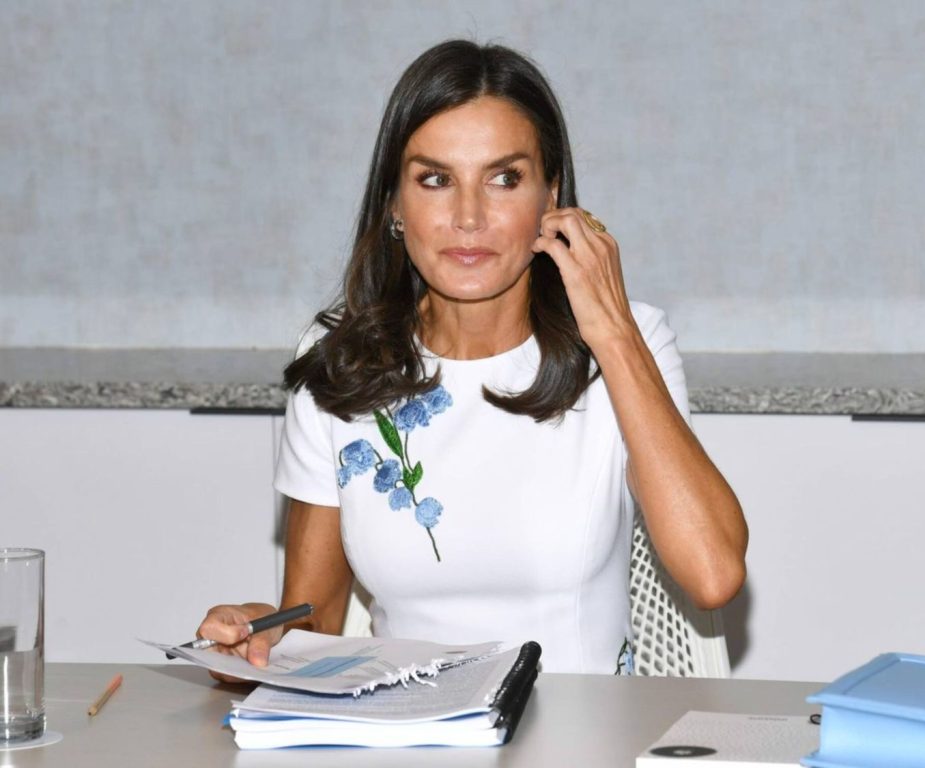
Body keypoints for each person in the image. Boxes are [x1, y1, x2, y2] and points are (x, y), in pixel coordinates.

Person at [198, 39, 747, 675]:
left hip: (583, 725)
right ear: (395, 203)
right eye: (435, 180)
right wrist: (262, 631)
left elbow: (713, 574)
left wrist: (614, 334)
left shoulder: (628, 340)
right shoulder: (341, 361)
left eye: (504, 179)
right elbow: (313, 620)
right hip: (401, 723)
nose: (468, 217)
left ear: (550, 197)